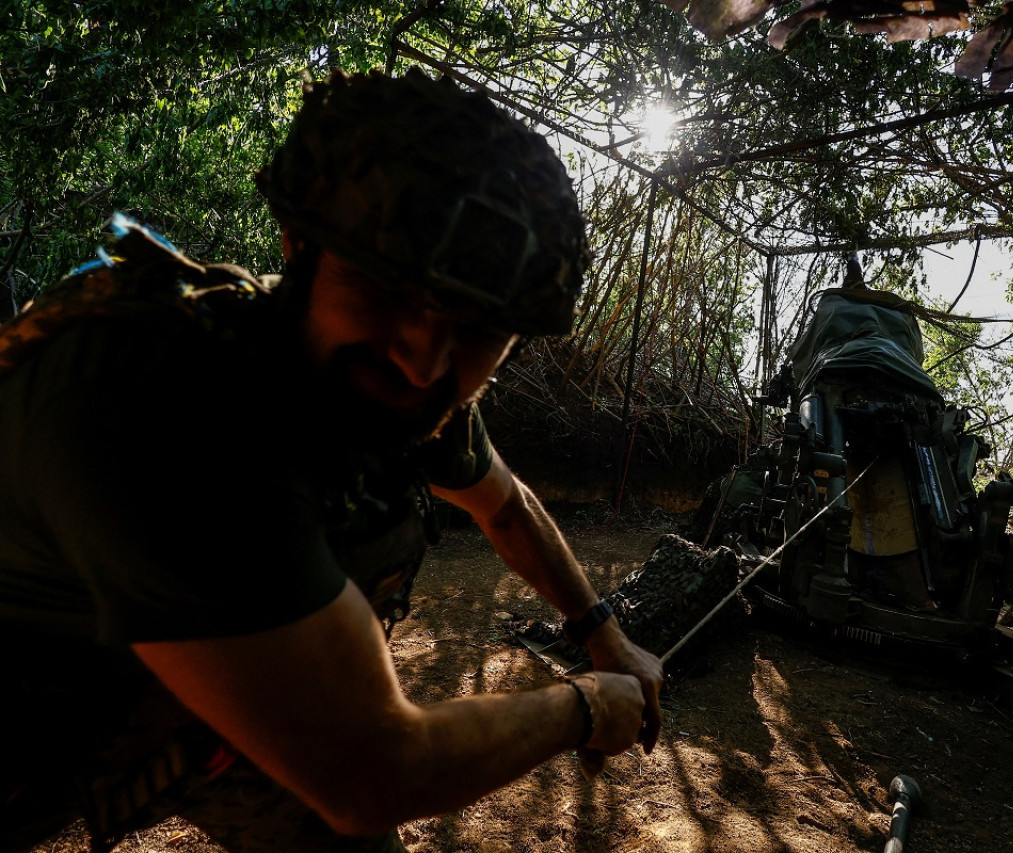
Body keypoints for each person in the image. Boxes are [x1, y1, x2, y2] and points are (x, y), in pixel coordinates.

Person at [0, 68, 663, 853]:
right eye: (384, 290)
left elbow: (507, 504)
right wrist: (586, 704)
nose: (422, 362)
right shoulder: (157, 401)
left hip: (169, 708)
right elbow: (372, 767)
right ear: (296, 247)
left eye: (479, 330)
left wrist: (600, 631)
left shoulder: (399, 395)